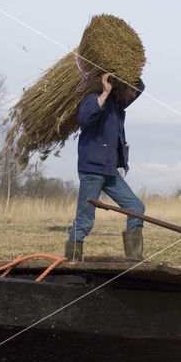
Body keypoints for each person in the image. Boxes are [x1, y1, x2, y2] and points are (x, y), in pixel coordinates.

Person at [65, 73, 146, 262]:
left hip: (109, 171)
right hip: (92, 169)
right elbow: (84, 117)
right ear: (119, 87)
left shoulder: (118, 105)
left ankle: (135, 260)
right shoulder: (93, 99)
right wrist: (104, 92)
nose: (134, 95)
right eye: (131, 90)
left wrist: (129, 67)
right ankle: (72, 261)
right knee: (85, 219)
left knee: (135, 207)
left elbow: (141, 88)